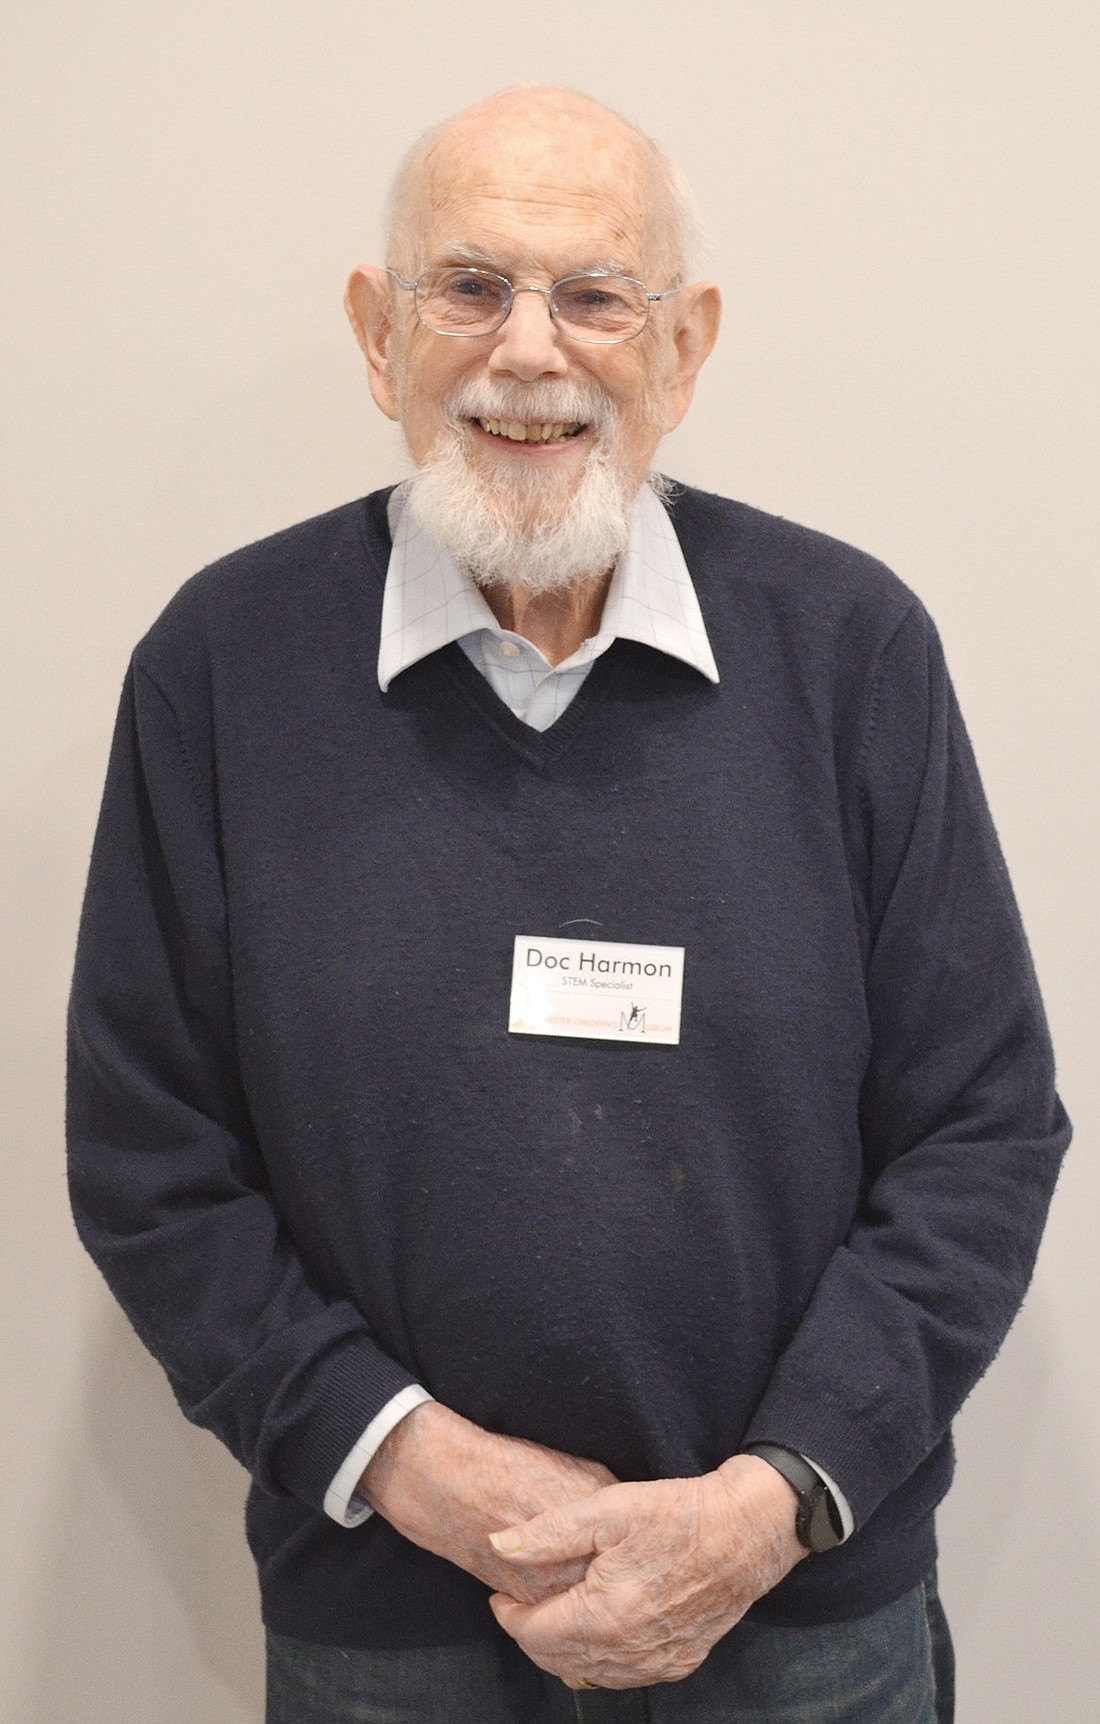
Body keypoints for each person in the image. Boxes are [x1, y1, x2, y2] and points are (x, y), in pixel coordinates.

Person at [67, 86, 1069, 1723]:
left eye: (598, 296)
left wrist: (760, 1512)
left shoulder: (852, 650)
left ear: (684, 350)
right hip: (389, 1623)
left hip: (806, 1612)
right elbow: (151, 1161)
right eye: (469, 288)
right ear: (378, 336)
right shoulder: (220, 671)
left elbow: (984, 1128)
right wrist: (424, 1474)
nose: (529, 351)